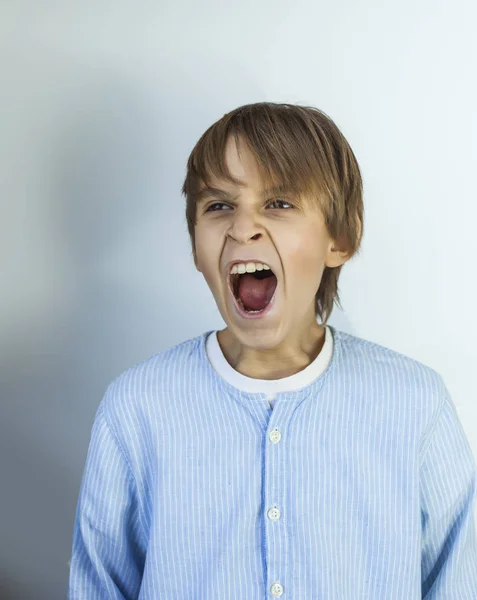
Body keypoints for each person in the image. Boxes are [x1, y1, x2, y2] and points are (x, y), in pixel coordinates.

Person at [67, 102, 477, 598]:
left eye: (279, 203)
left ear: (339, 240)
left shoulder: (416, 405)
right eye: (218, 206)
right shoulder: (136, 408)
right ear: (196, 246)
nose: (243, 229)